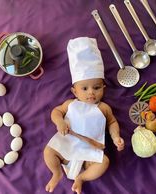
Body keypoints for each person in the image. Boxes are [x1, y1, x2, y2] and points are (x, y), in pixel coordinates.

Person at [43, 37, 124, 194]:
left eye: (96, 87)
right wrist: (59, 121)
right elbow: (56, 111)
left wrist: (116, 137)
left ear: (104, 88)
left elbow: (112, 122)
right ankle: (57, 173)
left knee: (104, 162)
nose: (91, 92)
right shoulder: (70, 104)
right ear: (75, 91)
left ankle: (81, 178)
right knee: (48, 152)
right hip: (67, 145)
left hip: (89, 151)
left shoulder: (104, 108)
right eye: (85, 88)